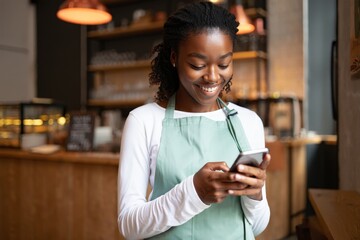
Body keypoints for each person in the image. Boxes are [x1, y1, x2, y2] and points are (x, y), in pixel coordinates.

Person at [117, 2, 271, 239]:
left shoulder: (249, 121)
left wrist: (255, 195)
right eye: (197, 65)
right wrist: (193, 193)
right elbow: (129, 226)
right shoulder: (143, 121)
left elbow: (257, 225)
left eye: (223, 64)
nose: (212, 77)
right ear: (174, 58)